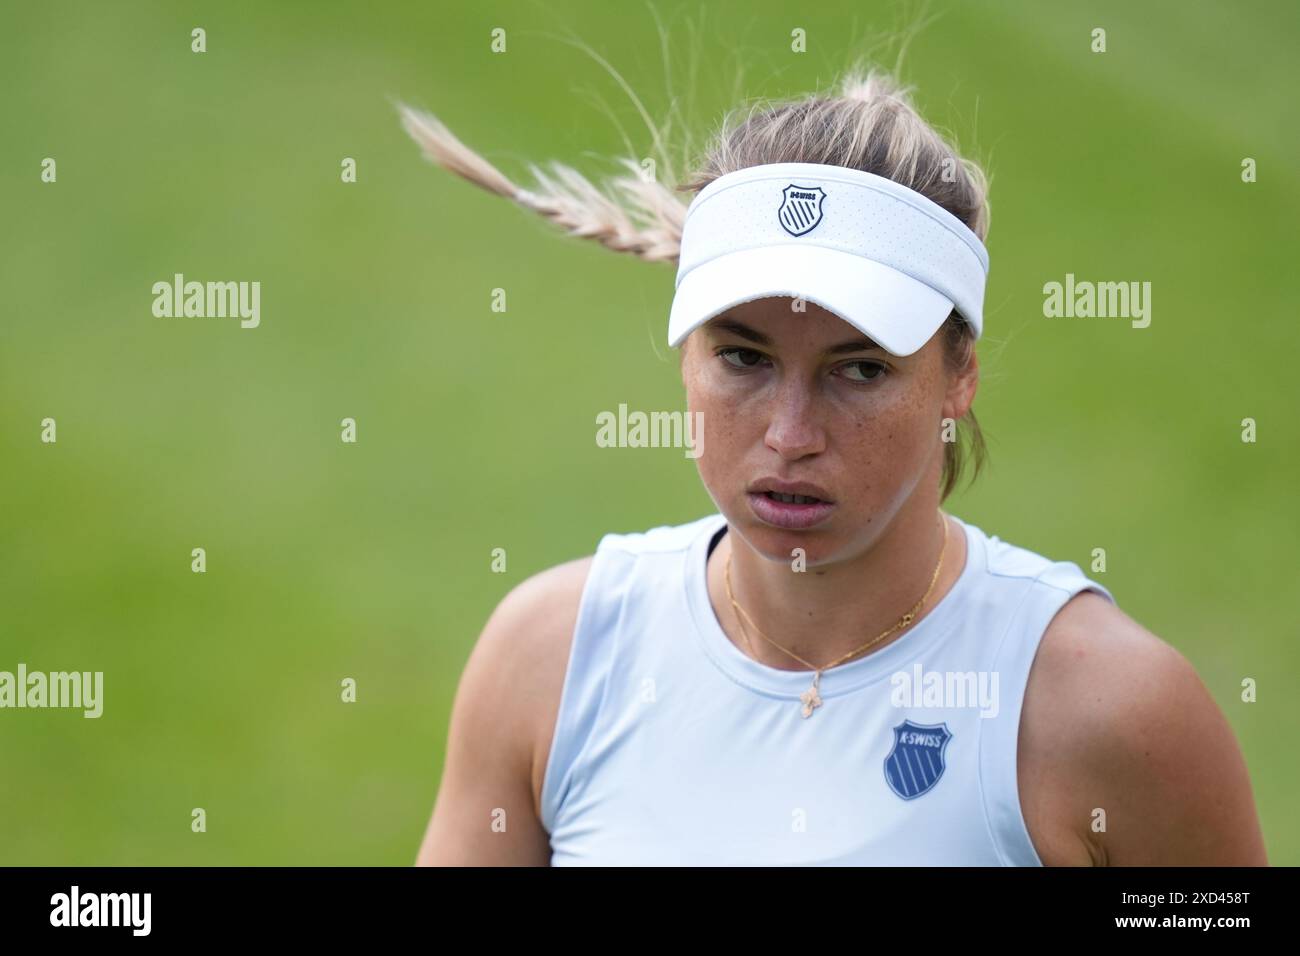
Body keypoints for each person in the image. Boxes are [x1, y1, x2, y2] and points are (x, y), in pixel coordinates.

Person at [400, 67, 1267, 866]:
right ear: (686, 356)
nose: (789, 434)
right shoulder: (550, 658)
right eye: (743, 358)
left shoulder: (1112, 711)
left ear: (959, 374)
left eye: (860, 370)